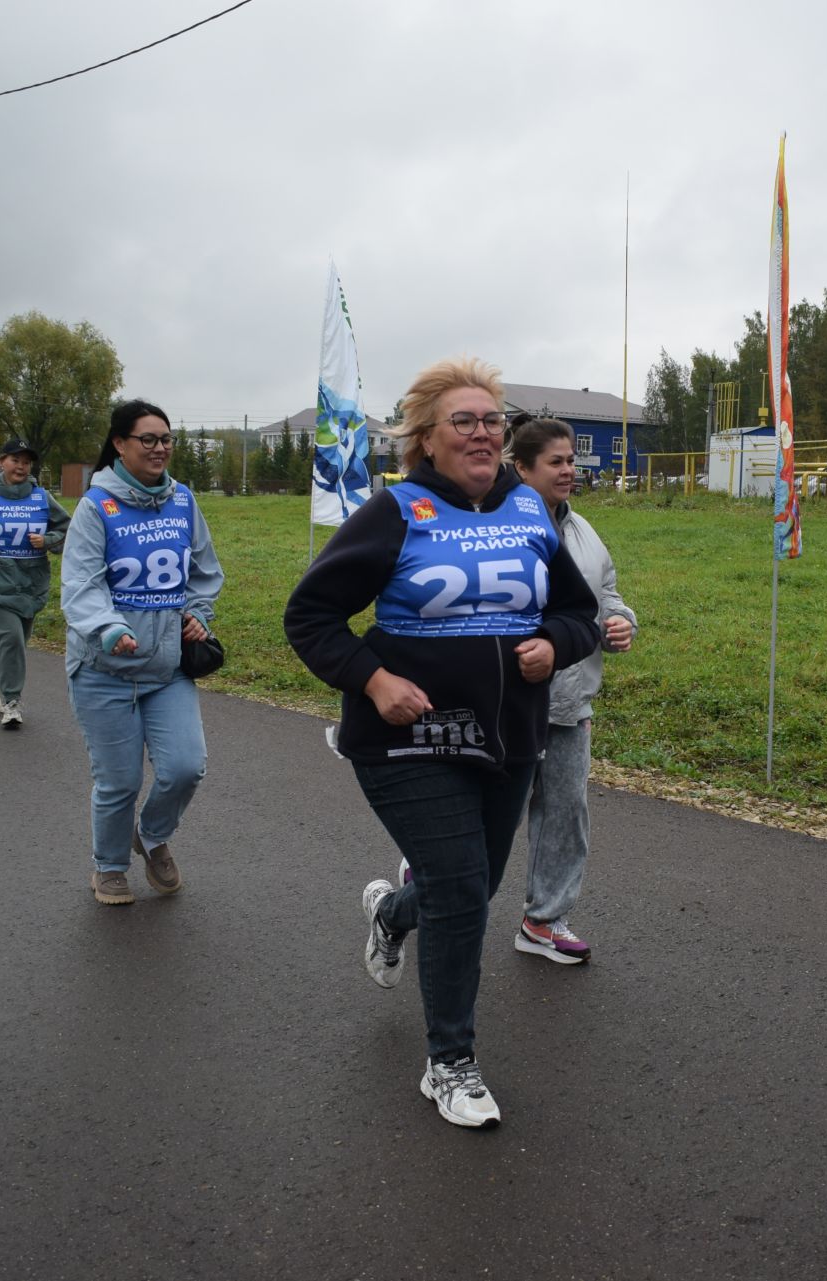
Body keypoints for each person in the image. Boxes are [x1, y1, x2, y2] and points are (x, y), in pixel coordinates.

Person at [283, 357, 601, 1129]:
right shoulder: (398, 511)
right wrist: (373, 679)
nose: (484, 432)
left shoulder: (528, 511)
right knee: (462, 890)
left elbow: (579, 612)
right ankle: (449, 1062)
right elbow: (310, 616)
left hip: (507, 739)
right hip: (408, 740)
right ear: (426, 438)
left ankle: (394, 914)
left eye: (493, 420)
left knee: (471, 887)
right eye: (465, 421)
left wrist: (555, 645)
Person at [62, 399, 222, 905]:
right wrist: (108, 627)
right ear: (120, 444)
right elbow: (81, 583)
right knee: (119, 781)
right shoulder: (96, 506)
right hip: (105, 669)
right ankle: (108, 867)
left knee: (185, 767)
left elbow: (202, 571)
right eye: (148, 439)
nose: (159, 448)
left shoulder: (183, 502)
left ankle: (151, 836)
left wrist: (198, 613)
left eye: (166, 439)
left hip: (168, 666)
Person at [506, 416, 637, 964]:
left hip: (569, 702)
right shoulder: (493, 527)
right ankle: (428, 879)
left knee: (564, 813)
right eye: (556, 462)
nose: (569, 470)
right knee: (492, 819)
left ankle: (544, 921)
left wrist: (622, 621)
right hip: (506, 702)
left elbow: (605, 594)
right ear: (522, 468)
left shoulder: (583, 531)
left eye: (571, 461)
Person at [0, 437, 70, 728]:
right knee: (12, 639)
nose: (20, 466)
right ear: (1, 462)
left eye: (26, 461)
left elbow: (67, 528)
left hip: (31, 585)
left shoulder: (42, 498)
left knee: (18, 642)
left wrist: (47, 541)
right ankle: (11, 701)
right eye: (15, 460)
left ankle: (1, 684)